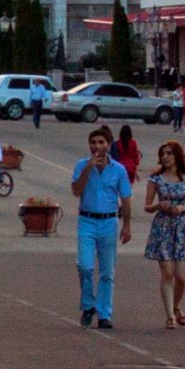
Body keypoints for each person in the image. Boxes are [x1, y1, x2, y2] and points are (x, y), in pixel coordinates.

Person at [70, 126, 133, 330]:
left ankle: (104, 313)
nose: (97, 146)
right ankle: (88, 305)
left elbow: (125, 197)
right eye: (93, 142)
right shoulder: (81, 165)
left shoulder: (118, 170)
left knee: (107, 271)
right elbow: (76, 190)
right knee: (85, 266)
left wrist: (127, 226)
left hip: (108, 221)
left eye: (101, 142)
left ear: (108, 144)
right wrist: (88, 168)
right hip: (87, 220)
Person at [142, 140, 185, 330]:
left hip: (182, 228)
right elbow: (147, 206)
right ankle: (169, 316)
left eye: (169, 153)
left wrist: (182, 208)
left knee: (181, 277)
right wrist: (159, 206)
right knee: (167, 273)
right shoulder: (155, 179)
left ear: (177, 156)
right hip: (163, 227)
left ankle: (175, 306)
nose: (165, 157)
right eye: (163, 154)